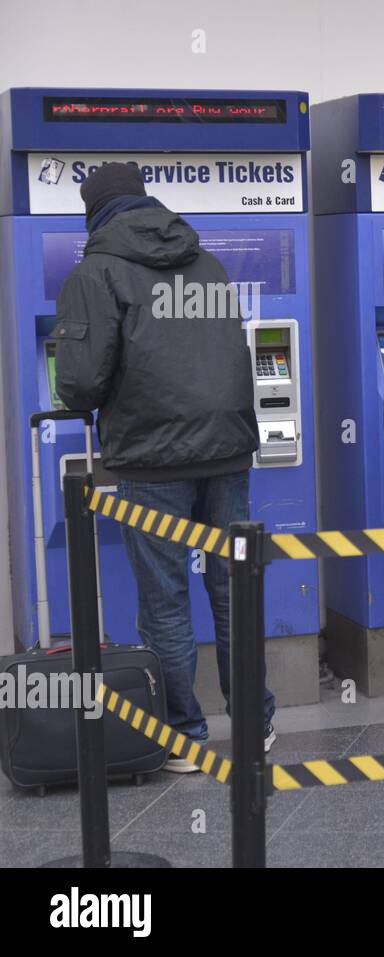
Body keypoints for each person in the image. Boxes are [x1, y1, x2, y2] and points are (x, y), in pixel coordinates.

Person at [53, 162, 275, 771]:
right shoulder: (205, 262)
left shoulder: (95, 272)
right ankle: (254, 725)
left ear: (92, 210)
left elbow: (77, 383)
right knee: (234, 591)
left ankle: (185, 733)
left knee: (165, 601)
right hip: (228, 449)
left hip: (151, 459)